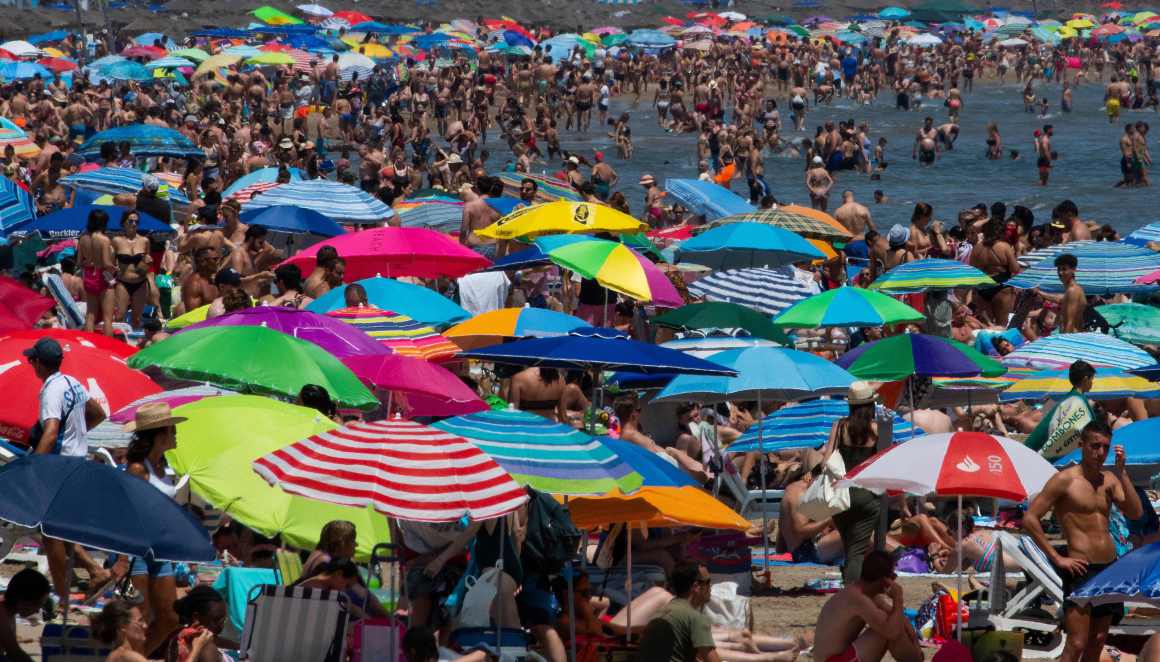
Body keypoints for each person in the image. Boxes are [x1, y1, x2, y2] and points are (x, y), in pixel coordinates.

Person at [1024, 420, 1143, 662]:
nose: (1100, 453)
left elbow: (1135, 512)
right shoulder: (1065, 480)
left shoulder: (1109, 480)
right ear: (1081, 445)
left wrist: (1123, 473)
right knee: (1077, 642)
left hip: (1110, 567)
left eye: (1105, 447)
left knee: (1098, 641)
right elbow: (1030, 519)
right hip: (1081, 567)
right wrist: (1057, 557)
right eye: (1094, 446)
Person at [26, 337, 112, 608]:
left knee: (49, 534)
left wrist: (33, 468)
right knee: (54, 531)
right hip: (76, 463)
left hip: (58, 467)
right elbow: (98, 412)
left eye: (32, 360)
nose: (31, 364)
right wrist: (78, 432)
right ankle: (89, 574)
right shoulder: (72, 383)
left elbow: (51, 433)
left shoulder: (51, 390)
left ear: (39, 363)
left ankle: (65, 595)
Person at [123, 402, 188, 655]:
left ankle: (136, 658)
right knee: (137, 619)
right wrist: (120, 559)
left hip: (161, 549)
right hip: (137, 550)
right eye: (172, 430)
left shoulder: (165, 467)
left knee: (170, 618)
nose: (175, 435)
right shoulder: (138, 469)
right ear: (161, 434)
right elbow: (127, 514)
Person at [820, 382, 881, 583]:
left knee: (849, 547)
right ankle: (852, 593)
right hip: (866, 496)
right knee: (857, 551)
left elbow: (825, 461)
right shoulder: (877, 429)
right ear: (870, 405)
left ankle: (849, 587)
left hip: (840, 494)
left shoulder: (839, 427)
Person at [813, 551, 922, 662]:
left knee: (890, 620)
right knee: (886, 630)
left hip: (837, 658)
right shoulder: (857, 598)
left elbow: (902, 620)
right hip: (832, 660)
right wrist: (898, 599)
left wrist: (916, 646)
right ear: (885, 581)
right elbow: (892, 632)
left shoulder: (864, 593)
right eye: (893, 576)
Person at [637, 562, 719, 662]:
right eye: (707, 582)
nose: (711, 586)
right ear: (696, 587)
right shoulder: (696, 618)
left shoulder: (659, 614)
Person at [92, 600, 211, 662]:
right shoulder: (125, 655)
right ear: (123, 626)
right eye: (140, 621)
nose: (145, 626)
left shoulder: (120, 653)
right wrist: (197, 647)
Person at [1026, 360, 1097, 461]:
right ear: (1085, 379)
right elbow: (1067, 431)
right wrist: (1044, 455)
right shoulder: (1077, 401)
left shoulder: (1070, 398)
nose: (1092, 383)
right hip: (1051, 459)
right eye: (1092, 380)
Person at [78, 208, 116, 335]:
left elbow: (79, 262)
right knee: (107, 318)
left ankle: (90, 345)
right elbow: (106, 263)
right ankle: (108, 348)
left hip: (88, 275)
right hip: (102, 276)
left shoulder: (83, 238)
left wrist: (90, 262)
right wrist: (115, 268)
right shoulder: (104, 239)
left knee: (90, 314)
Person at [167, 586, 230, 662]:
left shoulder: (179, 636)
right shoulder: (207, 649)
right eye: (216, 620)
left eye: (223, 620)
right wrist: (197, 648)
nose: (221, 626)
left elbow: (215, 640)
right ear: (196, 617)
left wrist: (239, 646)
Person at [0, 569, 51, 662]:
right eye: (36, 604)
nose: (37, 610)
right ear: (21, 599)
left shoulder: (9, 612)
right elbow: (14, 652)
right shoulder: (1, 613)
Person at [1037, 253, 1086, 333]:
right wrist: (1039, 292)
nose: (1060, 273)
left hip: (1071, 336)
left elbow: (1070, 321)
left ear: (1073, 269)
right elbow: (1059, 298)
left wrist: (1064, 343)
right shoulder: (1071, 289)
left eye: (1064, 269)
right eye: (1058, 269)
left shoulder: (1073, 291)